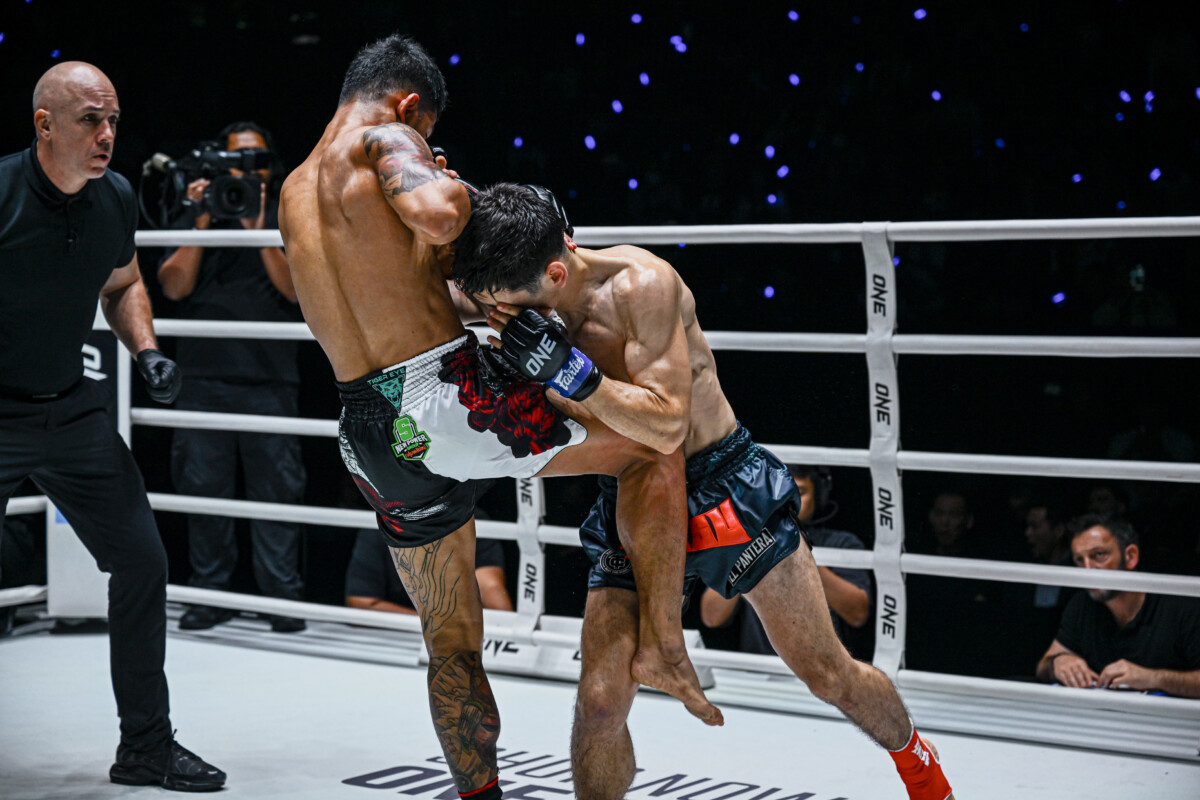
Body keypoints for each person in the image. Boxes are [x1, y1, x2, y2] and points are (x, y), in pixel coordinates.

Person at [277, 35, 718, 800]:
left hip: (367, 432)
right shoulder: (385, 139)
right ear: (410, 105)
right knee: (653, 441)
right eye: (429, 133)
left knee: (450, 643)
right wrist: (449, 183)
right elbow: (441, 216)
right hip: (447, 404)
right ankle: (663, 643)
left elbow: (389, 283)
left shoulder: (291, 189)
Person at [452, 182, 954, 800]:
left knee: (829, 674)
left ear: (555, 272)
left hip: (723, 484)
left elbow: (667, 423)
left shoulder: (642, 286)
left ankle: (919, 765)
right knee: (601, 703)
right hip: (630, 490)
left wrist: (570, 371)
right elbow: (443, 296)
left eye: (507, 307)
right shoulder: (510, 279)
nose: (499, 319)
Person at [0, 61, 224, 791]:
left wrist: (147, 350)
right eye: (91, 120)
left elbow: (123, 280)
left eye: (114, 121)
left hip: (70, 409)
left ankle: (146, 747)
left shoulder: (116, 195)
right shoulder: (2, 192)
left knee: (142, 562)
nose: (106, 135)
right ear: (45, 125)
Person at [158, 121, 306, 634]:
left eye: (255, 159)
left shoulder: (286, 212)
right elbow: (172, 287)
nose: (246, 170)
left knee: (277, 494)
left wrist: (257, 230)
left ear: (270, 164)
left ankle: (282, 598)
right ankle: (210, 593)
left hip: (270, 378)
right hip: (203, 377)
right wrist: (202, 222)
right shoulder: (198, 205)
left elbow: (297, 292)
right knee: (204, 491)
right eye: (236, 160)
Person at [699, 464, 871, 654]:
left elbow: (858, 614)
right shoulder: (747, 540)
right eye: (778, 493)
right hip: (759, 666)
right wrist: (749, 554)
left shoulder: (841, 543)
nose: (787, 502)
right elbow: (711, 617)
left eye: (799, 492)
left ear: (818, 496)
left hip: (823, 665)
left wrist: (801, 555)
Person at [1036, 514, 1200, 698]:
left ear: (1130, 557)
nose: (1088, 570)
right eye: (1080, 560)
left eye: (1099, 555)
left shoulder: (1181, 607)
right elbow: (1043, 666)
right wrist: (1058, 663)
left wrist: (1155, 678)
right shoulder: (1081, 604)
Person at [345, 527, 512, 614]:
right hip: (396, 637)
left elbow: (489, 587)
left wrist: (506, 629)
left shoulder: (472, 521)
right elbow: (362, 603)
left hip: (458, 634)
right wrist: (436, 628)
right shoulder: (379, 527)